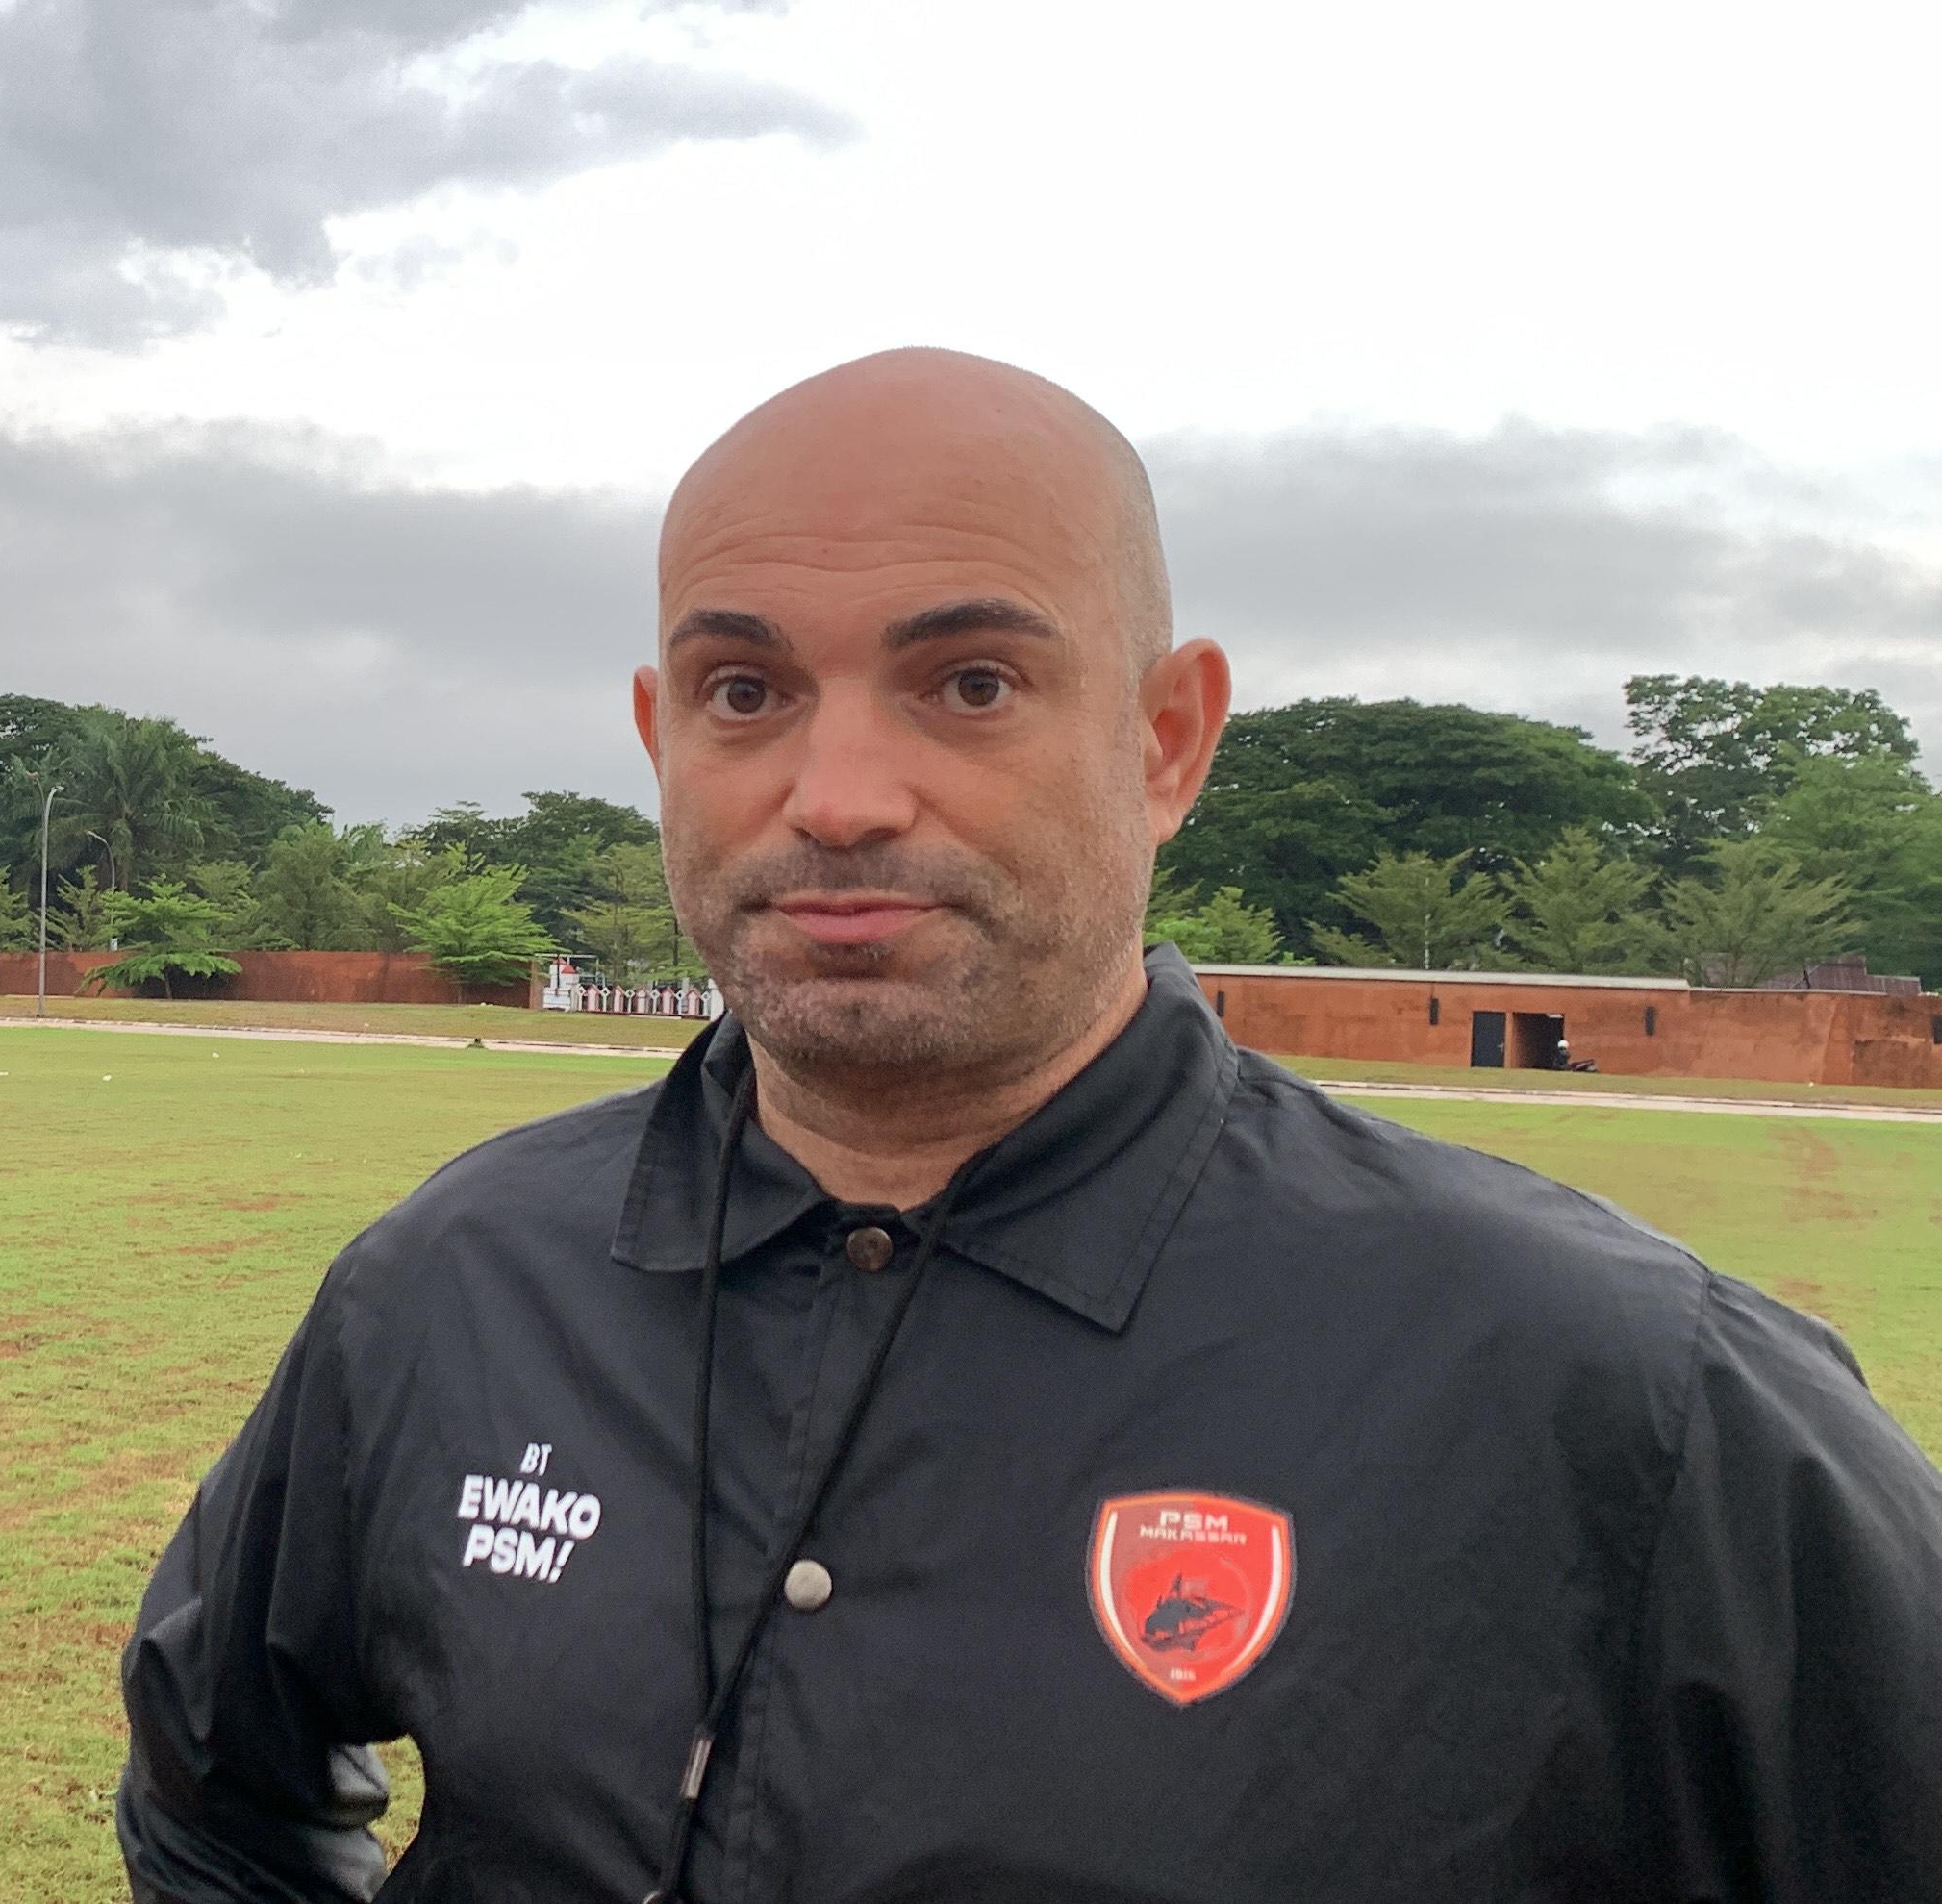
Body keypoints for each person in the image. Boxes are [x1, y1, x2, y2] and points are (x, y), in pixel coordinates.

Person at [115, 351, 1942, 1901]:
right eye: (748, 693)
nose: (833, 798)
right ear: (661, 734)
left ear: (1166, 740)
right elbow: (221, 1791)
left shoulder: (1621, 1395)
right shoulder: (451, 1283)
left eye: (969, 682)